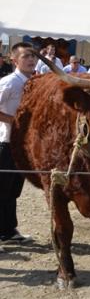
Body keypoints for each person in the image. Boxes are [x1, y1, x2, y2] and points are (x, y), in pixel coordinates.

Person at [0, 42, 36, 247]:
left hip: (23, 145)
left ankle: (8, 230)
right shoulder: (9, 83)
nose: (31, 60)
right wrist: (15, 121)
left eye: (33, 56)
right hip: (5, 143)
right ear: (14, 60)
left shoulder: (34, 82)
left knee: (13, 190)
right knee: (2, 190)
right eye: (26, 56)